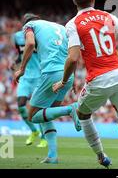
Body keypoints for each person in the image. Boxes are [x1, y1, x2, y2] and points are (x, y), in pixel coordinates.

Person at [52, 0, 118, 169]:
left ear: (75, 2)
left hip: (99, 78)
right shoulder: (107, 16)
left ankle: (101, 156)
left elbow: (72, 59)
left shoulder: (73, 24)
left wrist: (63, 81)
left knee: (83, 114)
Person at [14, 13, 81, 164]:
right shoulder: (61, 27)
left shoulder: (29, 26)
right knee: (46, 114)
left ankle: (70, 109)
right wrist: (73, 78)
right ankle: (52, 155)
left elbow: (30, 44)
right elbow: (74, 54)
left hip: (51, 73)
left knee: (33, 115)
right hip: (66, 75)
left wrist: (22, 69)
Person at [13, 27, 47, 148]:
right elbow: (20, 54)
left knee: (38, 108)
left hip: (39, 76)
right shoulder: (17, 36)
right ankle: (34, 131)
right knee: (21, 105)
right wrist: (15, 63)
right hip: (25, 76)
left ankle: (44, 137)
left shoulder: (40, 36)